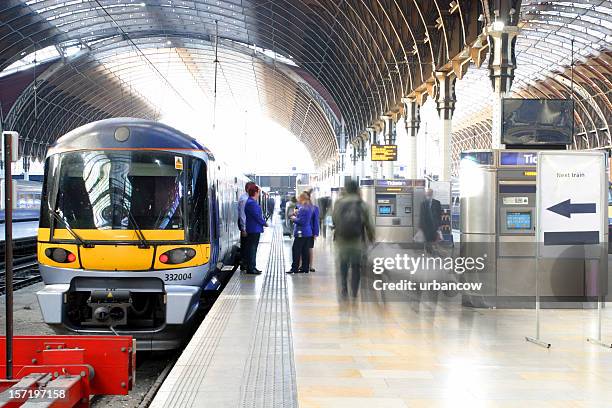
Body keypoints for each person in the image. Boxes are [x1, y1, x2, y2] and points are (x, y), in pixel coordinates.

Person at [332, 180, 375, 299]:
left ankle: (344, 289)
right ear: (356, 189)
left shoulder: (339, 203)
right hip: (357, 241)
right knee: (356, 267)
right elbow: (369, 224)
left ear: (346, 189)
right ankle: (354, 291)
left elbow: (334, 220)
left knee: (343, 265)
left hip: (342, 240)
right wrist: (371, 238)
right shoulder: (362, 204)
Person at [287, 192, 315, 274]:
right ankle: (305, 268)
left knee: (296, 250)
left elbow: (302, 221)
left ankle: (294, 268)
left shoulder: (303, 208)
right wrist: (297, 214)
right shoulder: (309, 207)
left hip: (301, 232)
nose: (298, 199)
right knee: (305, 251)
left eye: (299, 197)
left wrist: (293, 218)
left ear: (302, 198)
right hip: (307, 232)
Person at [244, 184, 268, 274]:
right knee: (252, 249)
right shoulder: (251, 203)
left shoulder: (250, 202)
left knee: (253, 248)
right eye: (258, 192)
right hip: (254, 229)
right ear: (255, 192)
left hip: (253, 228)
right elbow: (257, 216)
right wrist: (264, 223)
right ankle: (251, 268)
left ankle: (252, 267)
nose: (259, 194)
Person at [238, 181, 256, 270]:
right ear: (248, 189)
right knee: (246, 247)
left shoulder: (247, 198)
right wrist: (244, 228)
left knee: (248, 247)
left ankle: (247, 264)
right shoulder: (244, 199)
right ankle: (245, 265)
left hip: (248, 227)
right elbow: (242, 215)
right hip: (246, 227)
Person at [419, 188, 442, 255]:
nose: (428, 194)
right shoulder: (423, 203)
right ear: (426, 194)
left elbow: (439, 214)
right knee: (427, 240)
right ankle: (428, 252)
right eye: (427, 192)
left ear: (432, 193)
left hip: (435, 225)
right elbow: (422, 215)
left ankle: (433, 252)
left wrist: (439, 225)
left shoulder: (437, 203)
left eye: (430, 192)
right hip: (426, 226)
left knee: (434, 240)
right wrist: (421, 226)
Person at [305, 189, 319, 272]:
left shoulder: (314, 208)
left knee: (309, 248)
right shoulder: (298, 206)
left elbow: (316, 221)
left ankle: (310, 266)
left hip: (310, 232)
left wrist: (315, 233)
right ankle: (303, 265)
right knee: (303, 249)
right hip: (303, 231)